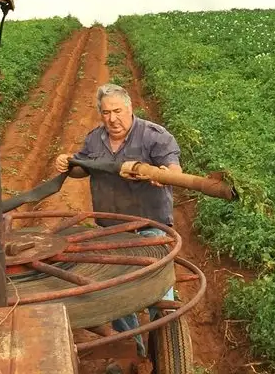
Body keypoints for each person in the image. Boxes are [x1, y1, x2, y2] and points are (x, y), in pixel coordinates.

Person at [54, 82, 182, 358]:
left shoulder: (154, 137)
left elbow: (173, 166)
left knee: (158, 292)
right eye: (105, 113)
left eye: (117, 111)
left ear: (130, 108)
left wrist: (163, 174)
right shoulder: (94, 139)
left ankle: (166, 350)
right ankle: (132, 352)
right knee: (116, 296)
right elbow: (82, 170)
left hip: (150, 227)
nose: (112, 119)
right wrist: (68, 164)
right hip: (110, 231)